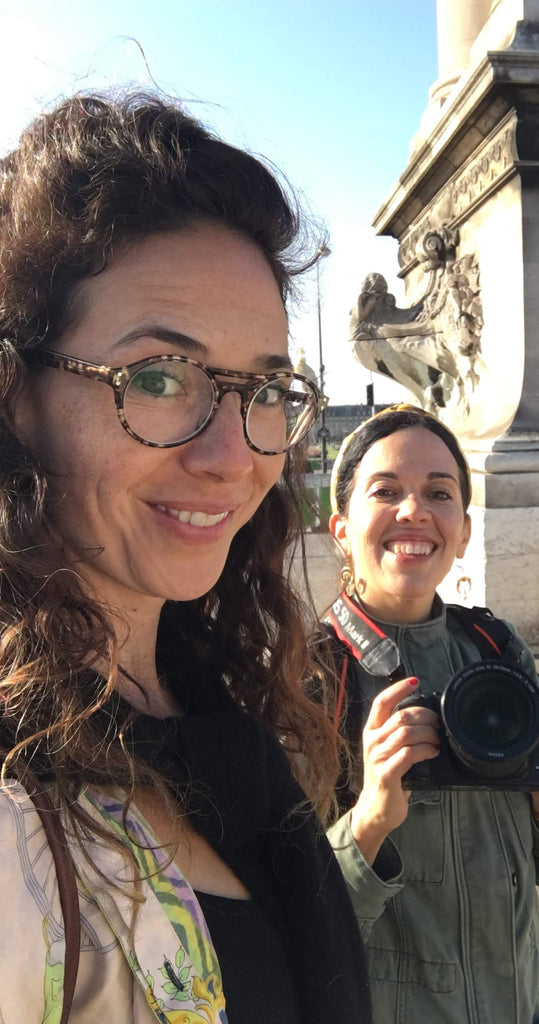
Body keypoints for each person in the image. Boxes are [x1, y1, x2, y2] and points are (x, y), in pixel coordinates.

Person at [0, 91, 371, 1024]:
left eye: (265, 388)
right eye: (158, 379)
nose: (236, 457)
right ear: (16, 396)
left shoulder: (212, 697)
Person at [323, 404, 539, 1024]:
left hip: (528, 1003)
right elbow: (288, 911)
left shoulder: (496, 650)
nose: (414, 510)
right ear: (340, 527)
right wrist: (368, 821)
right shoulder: (308, 675)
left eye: (438, 493)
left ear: (464, 531)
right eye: (387, 491)